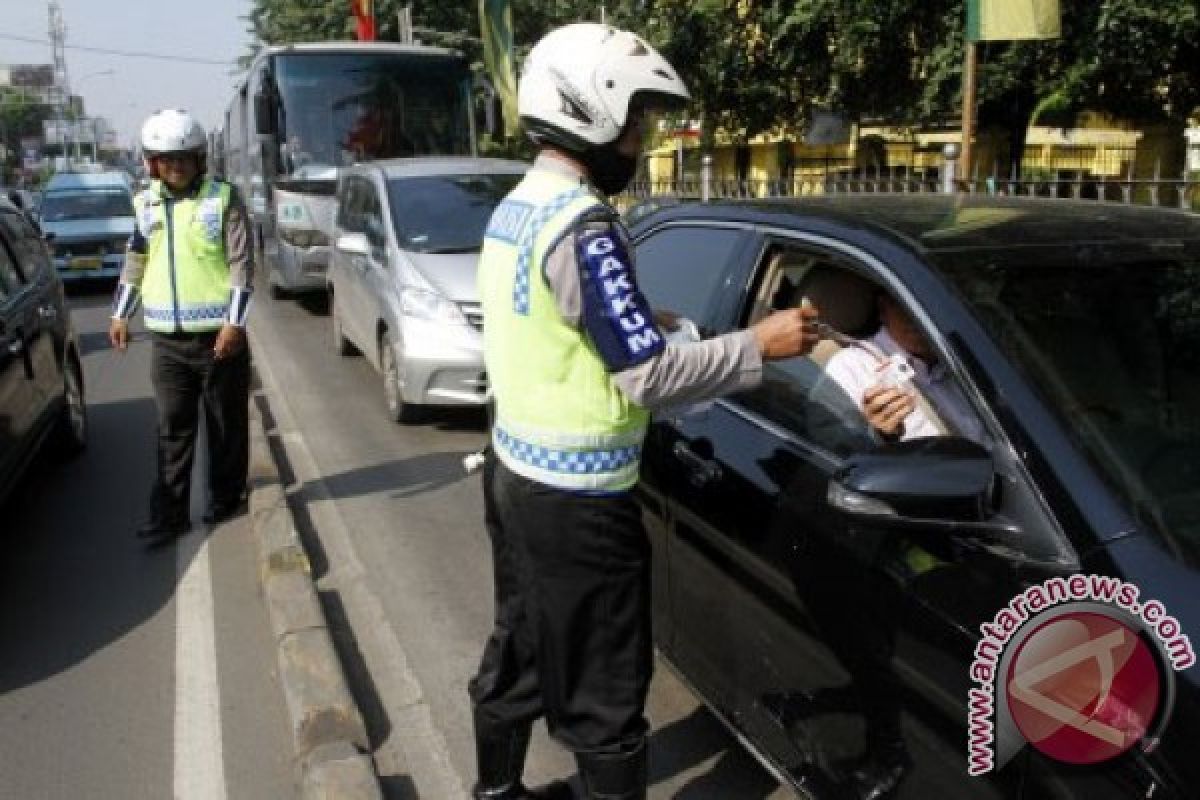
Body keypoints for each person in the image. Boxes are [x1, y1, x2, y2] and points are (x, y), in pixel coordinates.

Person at [469, 23, 820, 800]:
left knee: (520, 648)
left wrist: (655, 322)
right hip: (580, 505)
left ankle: (495, 793)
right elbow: (649, 379)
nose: (641, 139)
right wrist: (758, 342)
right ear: (591, 112)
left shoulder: (521, 207)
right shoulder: (586, 227)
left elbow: (562, 326)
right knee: (607, 691)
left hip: (515, 474)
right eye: (637, 120)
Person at [108, 109, 254, 544]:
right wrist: (120, 313)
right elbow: (136, 261)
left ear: (198, 159)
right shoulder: (144, 203)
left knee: (225, 425)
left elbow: (242, 264)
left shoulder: (223, 198)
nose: (175, 167)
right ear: (152, 163)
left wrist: (234, 323)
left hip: (218, 339)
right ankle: (169, 515)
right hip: (167, 343)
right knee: (172, 426)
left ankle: (225, 497)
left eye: (183, 159)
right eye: (165, 160)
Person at [824, 292, 984, 443]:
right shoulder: (850, 368)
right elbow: (841, 452)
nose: (918, 317)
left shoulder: (964, 352)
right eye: (905, 305)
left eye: (926, 305)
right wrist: (880, 436)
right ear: (882, 307)